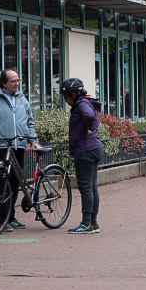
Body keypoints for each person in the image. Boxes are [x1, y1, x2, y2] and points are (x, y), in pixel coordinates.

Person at [0, 69, 41, 232]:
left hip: (19, 145)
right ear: (4, 83)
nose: (17, 83)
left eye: (18, 80)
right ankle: (3, 220)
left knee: (15, 182)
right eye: (13, 81)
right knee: (2, 182)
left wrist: (33, 141)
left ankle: (11, 218)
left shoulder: (23, 99)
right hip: (2, 145)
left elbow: (29, 122)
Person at [60, 78, 105, 235]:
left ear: (74, 94)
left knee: (86, 188)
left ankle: (86, 223)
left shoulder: (82, 105)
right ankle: (93, 223)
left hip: (85, 150)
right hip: (94, 149)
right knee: (92, 187)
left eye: (66, 98)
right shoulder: (87, 102)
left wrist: (84, 131)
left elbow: (88, 117)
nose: (66, 101)